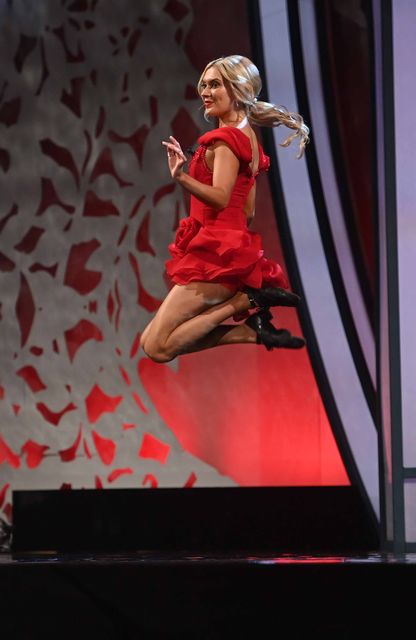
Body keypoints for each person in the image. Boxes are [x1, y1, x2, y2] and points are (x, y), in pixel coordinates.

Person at [140, 55, 309, 363]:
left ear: (238, 89)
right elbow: (248, 212)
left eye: (215, 84)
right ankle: (252, 330)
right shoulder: (249, 140)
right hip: (229, 253)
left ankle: (246, 301)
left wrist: (181, 177)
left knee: (156, 347)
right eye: (203, 84)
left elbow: (219, 197)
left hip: (216, 256)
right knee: (153, 343)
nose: (205, 91)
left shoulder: (226, 140)